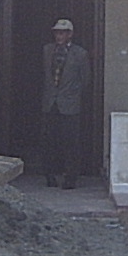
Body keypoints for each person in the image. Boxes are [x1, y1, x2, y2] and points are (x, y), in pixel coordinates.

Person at [40, 17, 90, 188]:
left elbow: (85, 79)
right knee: (49, 141)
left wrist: (73, 94)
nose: (59, 36)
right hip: (50, 102)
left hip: (69, 104)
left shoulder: (80, 54)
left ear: (70, 34)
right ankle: (49, 174)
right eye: (57, 33)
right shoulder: (47, 50)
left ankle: (70, 177)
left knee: (70, 142)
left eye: (62, 33)